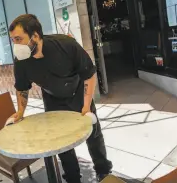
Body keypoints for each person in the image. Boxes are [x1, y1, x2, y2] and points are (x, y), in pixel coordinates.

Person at [9, 14, 112, 183]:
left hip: (78, 93)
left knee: (93, 134)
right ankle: (72, 178)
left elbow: (89, 74)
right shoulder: (21, 61)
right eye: (13, 40)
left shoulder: (65, 45)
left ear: (35, 36)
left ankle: (103, 171)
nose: (16, 45)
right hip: (52, 98)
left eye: (19, 39)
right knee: (61, 141)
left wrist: (86, 105)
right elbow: (21, 88)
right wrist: (20, 111)